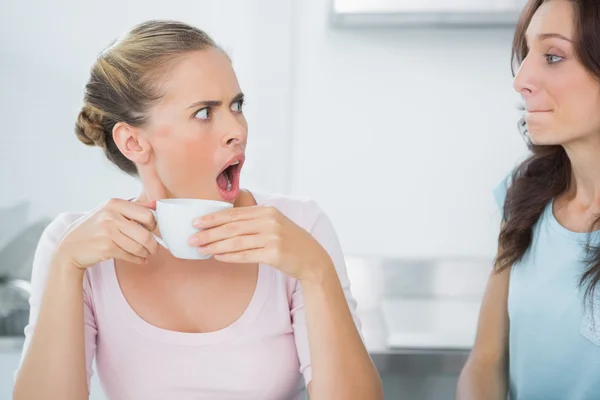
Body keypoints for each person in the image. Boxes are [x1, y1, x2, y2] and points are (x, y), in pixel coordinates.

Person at [12, 20, 382, 400]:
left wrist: (315, 270)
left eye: (236, 106)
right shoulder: (73, 245)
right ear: (134, 142)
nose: (237, 130)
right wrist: (66, 268)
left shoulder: (299, 227)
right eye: (205, 112)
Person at [456, 1, 600, 399]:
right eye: (527, 54)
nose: (521, 79)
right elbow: (485, 362)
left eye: (552, 56)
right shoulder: (524, 193)